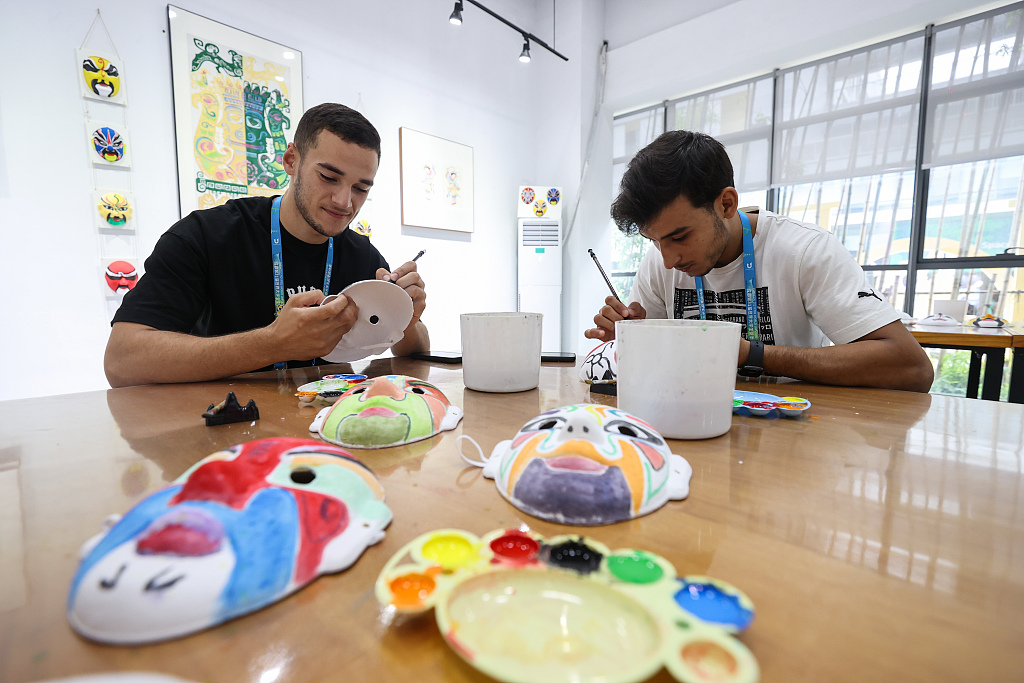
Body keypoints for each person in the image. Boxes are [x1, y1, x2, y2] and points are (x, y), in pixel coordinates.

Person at [105, 103, 428, 388]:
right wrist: (274, 343)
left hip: (325, 425)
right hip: (223, 423)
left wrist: (406, 318)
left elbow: (416, 351)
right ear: (291, 160)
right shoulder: (207, 236)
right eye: (329, 177)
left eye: (360, 188)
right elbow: (122, 361)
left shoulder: (363, 256)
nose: (344, 202)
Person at [585, 130, 934, 393]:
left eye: (680, 237)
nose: (667, 260)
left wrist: (751, 354)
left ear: (726, 204)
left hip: (794, 436)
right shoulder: (660, 260)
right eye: (654, 241)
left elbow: (911, 368)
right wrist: (630, 342)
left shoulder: (805, 250)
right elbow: (655, 374)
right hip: (693, 422)